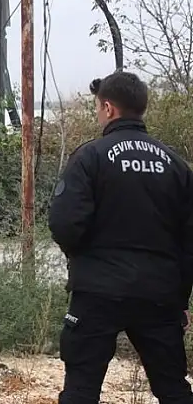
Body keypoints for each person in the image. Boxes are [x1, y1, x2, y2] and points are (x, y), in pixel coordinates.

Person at [49, 71, 193, 404]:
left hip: (97, 292)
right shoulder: (176, 165)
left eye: (98, 107)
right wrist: (179, 299)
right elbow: (190, 243)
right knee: (173, 389)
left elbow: (64, 223)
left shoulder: (90, 157)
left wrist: (84, 261)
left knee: (81, 390)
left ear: (109, 108)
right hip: (159, 294)